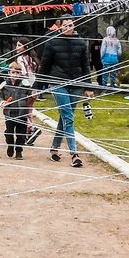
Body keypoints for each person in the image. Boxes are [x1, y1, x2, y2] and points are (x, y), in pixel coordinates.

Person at [38, 17, 89, 167]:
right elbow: (44, 66)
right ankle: (74, 154)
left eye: (70, 24)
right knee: (68, 116)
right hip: (58, 83)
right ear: (60, 28)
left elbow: (85, 65)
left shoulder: (81, 43)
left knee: (66, 117)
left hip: (77, 85)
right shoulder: (52, 43)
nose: (68, 27)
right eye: (65, 25)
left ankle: (54, 148)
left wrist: (89, 87)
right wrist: (37, 87)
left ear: (74, 26)